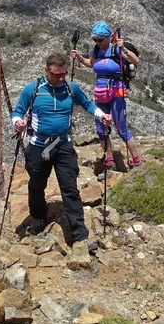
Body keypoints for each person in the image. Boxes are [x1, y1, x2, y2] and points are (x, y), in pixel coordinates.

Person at [11, 52, 112, 245]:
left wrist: (101, 115)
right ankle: (39, 216)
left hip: (63, 145)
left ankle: (80, 235)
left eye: (63, 74)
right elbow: (18, 111)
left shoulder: (70, 88)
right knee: (36, 186)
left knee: (70, 188)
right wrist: (18, 123)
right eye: (56, 74)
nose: (59, 78)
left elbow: (87, 104)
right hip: (38, 146)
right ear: (46, 70)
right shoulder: (32, 89)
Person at [71, 21, 142, 170]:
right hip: (101, 92)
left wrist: (124, 49)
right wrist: (79, 58)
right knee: (101, 128)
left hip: (117, 91)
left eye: (100, 39)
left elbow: (135, 61)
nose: (97, 42)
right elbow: (91, 64)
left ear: (108, 37)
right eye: (95, 39)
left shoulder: (116, 48)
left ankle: (137, 161)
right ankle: (109, 160)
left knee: (121, 128)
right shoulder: (97, 50)